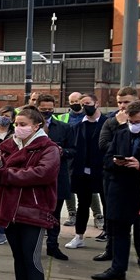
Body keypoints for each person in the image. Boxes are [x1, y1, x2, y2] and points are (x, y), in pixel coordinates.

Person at [0, 106, 60, 280]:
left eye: (23, 124)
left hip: (33, 210)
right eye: (16, 124)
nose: (18, 128)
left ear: (37, 126)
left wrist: (6, 173)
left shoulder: (49, 148)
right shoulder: (8, 146)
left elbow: (41, 174)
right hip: (10, 209)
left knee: (32, 259)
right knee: (18, 257)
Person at [91, 101, 140, 280]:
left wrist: (139, 166)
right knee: (119, 231)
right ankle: (118, 268)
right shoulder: (121, 134)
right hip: (121, 188)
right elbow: (105, 158)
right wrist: (115, 161)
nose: (133, 126)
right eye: (131, 122)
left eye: (137, 122)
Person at [65, 92, 107, 250]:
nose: (85, 107)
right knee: (82, 204)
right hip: (82, 172)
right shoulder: (77, 126)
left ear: (96, 104)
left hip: (102, 171)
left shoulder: (106, 123)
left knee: (107, 203)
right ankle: (79, 236)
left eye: (88, 103)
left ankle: (109, 235)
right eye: (83, 105)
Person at [37, 94, 75, 261]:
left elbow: (73, 150)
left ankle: (53, 246)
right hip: (36, 177)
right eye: (43, 109)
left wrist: (61, 151)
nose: (46, 112)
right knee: (35, 214)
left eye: (49, 109)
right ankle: (34, 246)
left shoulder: (64, 127)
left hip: (57, 177)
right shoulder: (29, 127)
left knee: (55, 214)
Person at [56, 91, 101, 228]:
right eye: (73, 102)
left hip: (86, 158)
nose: (76, 105)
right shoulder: (63, 117)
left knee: (91, 190)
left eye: (79, 102)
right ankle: (72, 214)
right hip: (70, 158)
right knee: (70, 187)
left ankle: (98, 215)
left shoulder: (89, 117)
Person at [0, 106, 16, 246]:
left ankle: (1, 231)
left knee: (4, 202)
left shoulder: (14, 134)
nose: (4, 117)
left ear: (12, 119)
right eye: (2, 114)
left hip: (6, 170)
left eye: (7, 116)